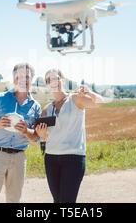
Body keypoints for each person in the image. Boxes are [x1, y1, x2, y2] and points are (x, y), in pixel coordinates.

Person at [35, 69, 104, 203]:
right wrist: (42, 134)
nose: (53, 82)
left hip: (73, 159)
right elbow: (45, 136)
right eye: (49, 80)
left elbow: (99, 102)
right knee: (57, 201)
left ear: (63, 81)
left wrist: (89, 92)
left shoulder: (76, 99)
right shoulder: (46, 109)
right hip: (51, 159)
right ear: (47, 85)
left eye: (56, 79)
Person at [0, 63, 41, 203]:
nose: (24, 80)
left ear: (32, 80)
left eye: (27, 77)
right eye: (20, 77)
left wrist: (26, 131)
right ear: (14, 79)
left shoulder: (35, 106)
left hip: (19, 157)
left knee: (14, 199)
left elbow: (36, 137)